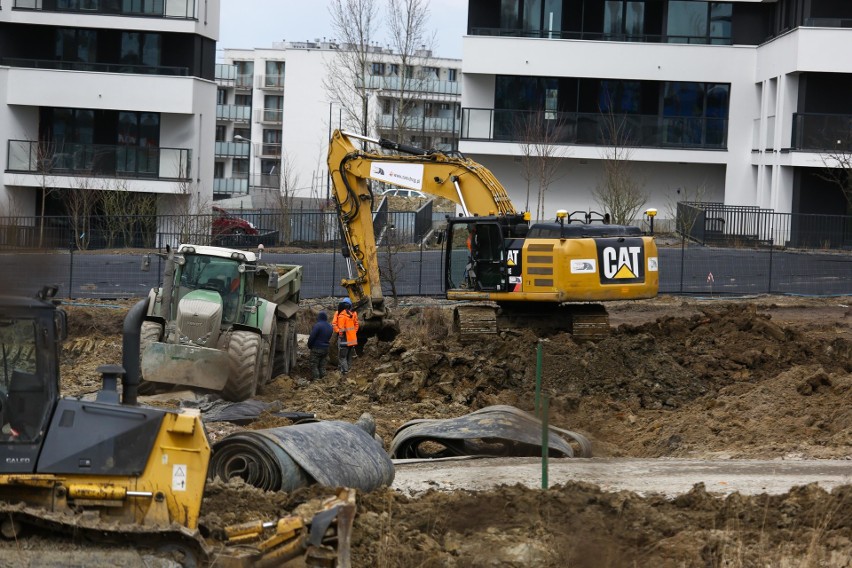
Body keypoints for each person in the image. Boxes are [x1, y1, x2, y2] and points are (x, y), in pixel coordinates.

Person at [331, 298, 359, 374]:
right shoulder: (354, 313)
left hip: (343, 338)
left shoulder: (340, 314)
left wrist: (339, 331)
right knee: (349, 356)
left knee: (342, 355)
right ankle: (347, 370)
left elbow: (334, 324)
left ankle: (344, 371)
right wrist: (353, 332)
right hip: (351, 339)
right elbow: (356, 325)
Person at [306, 310, 333, 381]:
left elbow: (312, 337)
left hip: (317, 348)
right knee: (322, 366)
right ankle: (324, 380)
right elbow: (329, 337)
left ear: (319, 317)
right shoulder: (330, 326)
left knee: (314, 365)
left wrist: (309, 345)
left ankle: (317, 381)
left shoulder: (317, 325)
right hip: (326, 349)